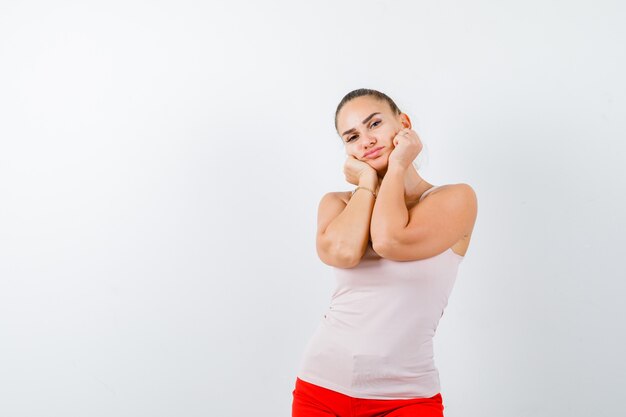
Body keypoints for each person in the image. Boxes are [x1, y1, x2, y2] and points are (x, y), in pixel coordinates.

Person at [291, 88, 478, 417]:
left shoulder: (455, 199)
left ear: (403, 124)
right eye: (352, 136)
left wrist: (397, 166)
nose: (365, 141)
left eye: (374, 124)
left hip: (406, 396)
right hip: (321, 388)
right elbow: (346, 252)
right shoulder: (337, 204)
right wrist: (366, 182)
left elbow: (390, 239)